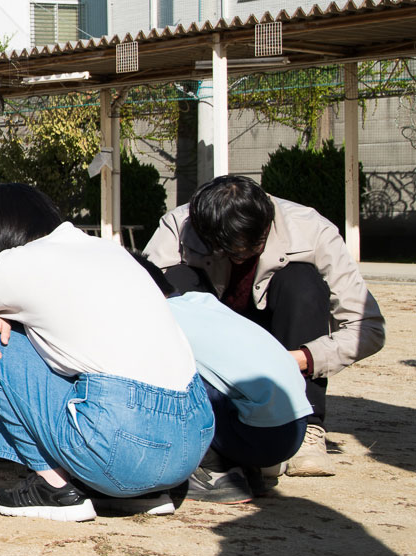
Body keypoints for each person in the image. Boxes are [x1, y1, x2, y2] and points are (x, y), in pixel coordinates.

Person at [0, 184, 213, 522]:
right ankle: (141, 492)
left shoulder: (13, 264)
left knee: (0, 343)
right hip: (193, 440)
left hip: (122, 445)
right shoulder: (110, 250)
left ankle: (53, 489)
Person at [144, 175, 383, 477]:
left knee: (302, 283)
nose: (238, 258)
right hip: (212, 337)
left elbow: (368, 328)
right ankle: (191, 414)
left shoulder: (312, 229)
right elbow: (142, 303)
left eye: (248, 249)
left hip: (280, 337)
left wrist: (300, 359)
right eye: (225, 251)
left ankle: (307, 426)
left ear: (268, 223)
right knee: (171, 282)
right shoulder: (179, 225)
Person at [137, 257, 312, 504]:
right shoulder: (202, 302)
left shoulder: (160, 319)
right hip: (295, 426)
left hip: (259, 435)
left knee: (149, 378)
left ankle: (215, 471)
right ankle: (244, 470)